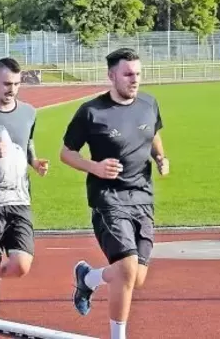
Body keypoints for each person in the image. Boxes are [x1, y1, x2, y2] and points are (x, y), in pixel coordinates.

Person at [61, 48, 168, 339]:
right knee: (126, 268)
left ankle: (88, 278)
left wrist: (161, 158)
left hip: (142, 196)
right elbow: (66, 153)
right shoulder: (91, 111)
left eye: (138, 74)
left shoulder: (149, 103)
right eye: (128, 74)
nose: (135, 80)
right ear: (111, 76)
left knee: (137, 277)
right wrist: (94, 167)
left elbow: (153, 133)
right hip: (108, 198)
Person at [0, 58, 50, 323]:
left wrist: (35, 162)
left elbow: (27, 143)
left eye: (17, 84)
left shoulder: (29, 112)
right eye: (6, 84)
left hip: (19, 199)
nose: (12, 89)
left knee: (21, 265)